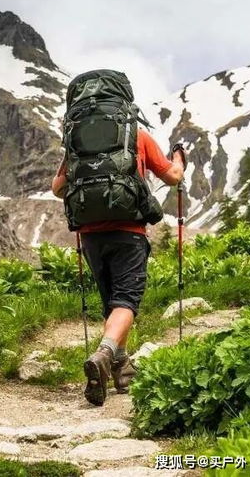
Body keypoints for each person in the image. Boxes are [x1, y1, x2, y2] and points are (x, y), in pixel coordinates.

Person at [51, 127, 185, 406]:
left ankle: (121, 368)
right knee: (126, 301)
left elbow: (58, 188)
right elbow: (172, 176)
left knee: (111, 303)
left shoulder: (79, 136)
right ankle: (104, 354)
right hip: (128, 231)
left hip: (90, 235)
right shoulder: (135, 133)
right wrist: (179, 158)